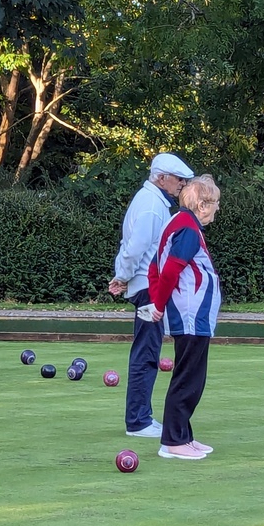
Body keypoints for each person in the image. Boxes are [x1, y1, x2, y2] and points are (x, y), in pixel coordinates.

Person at [108, 152, 195, 437]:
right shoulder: (150, 206)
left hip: (146, 285)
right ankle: (138, 421)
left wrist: (123, 276)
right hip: (148, 289)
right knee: (146, 353)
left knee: (148, 350)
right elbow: (136, 247)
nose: (182, 184)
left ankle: (141, 417)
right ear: (161, 178)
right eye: (178, 179)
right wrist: (122, 276)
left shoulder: (153, 202)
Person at [147, 174, 222, 460]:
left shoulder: (180, 223)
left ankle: (183, 436)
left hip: (194, 315)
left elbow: (155, 268)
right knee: (188, 378)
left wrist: (158, 301)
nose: (216, 209)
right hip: (191, 315)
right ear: (203, 204)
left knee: (192, 376)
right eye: (214, 202)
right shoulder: (187, 228)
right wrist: (159, 303)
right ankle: (173, 442)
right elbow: (169, 270)